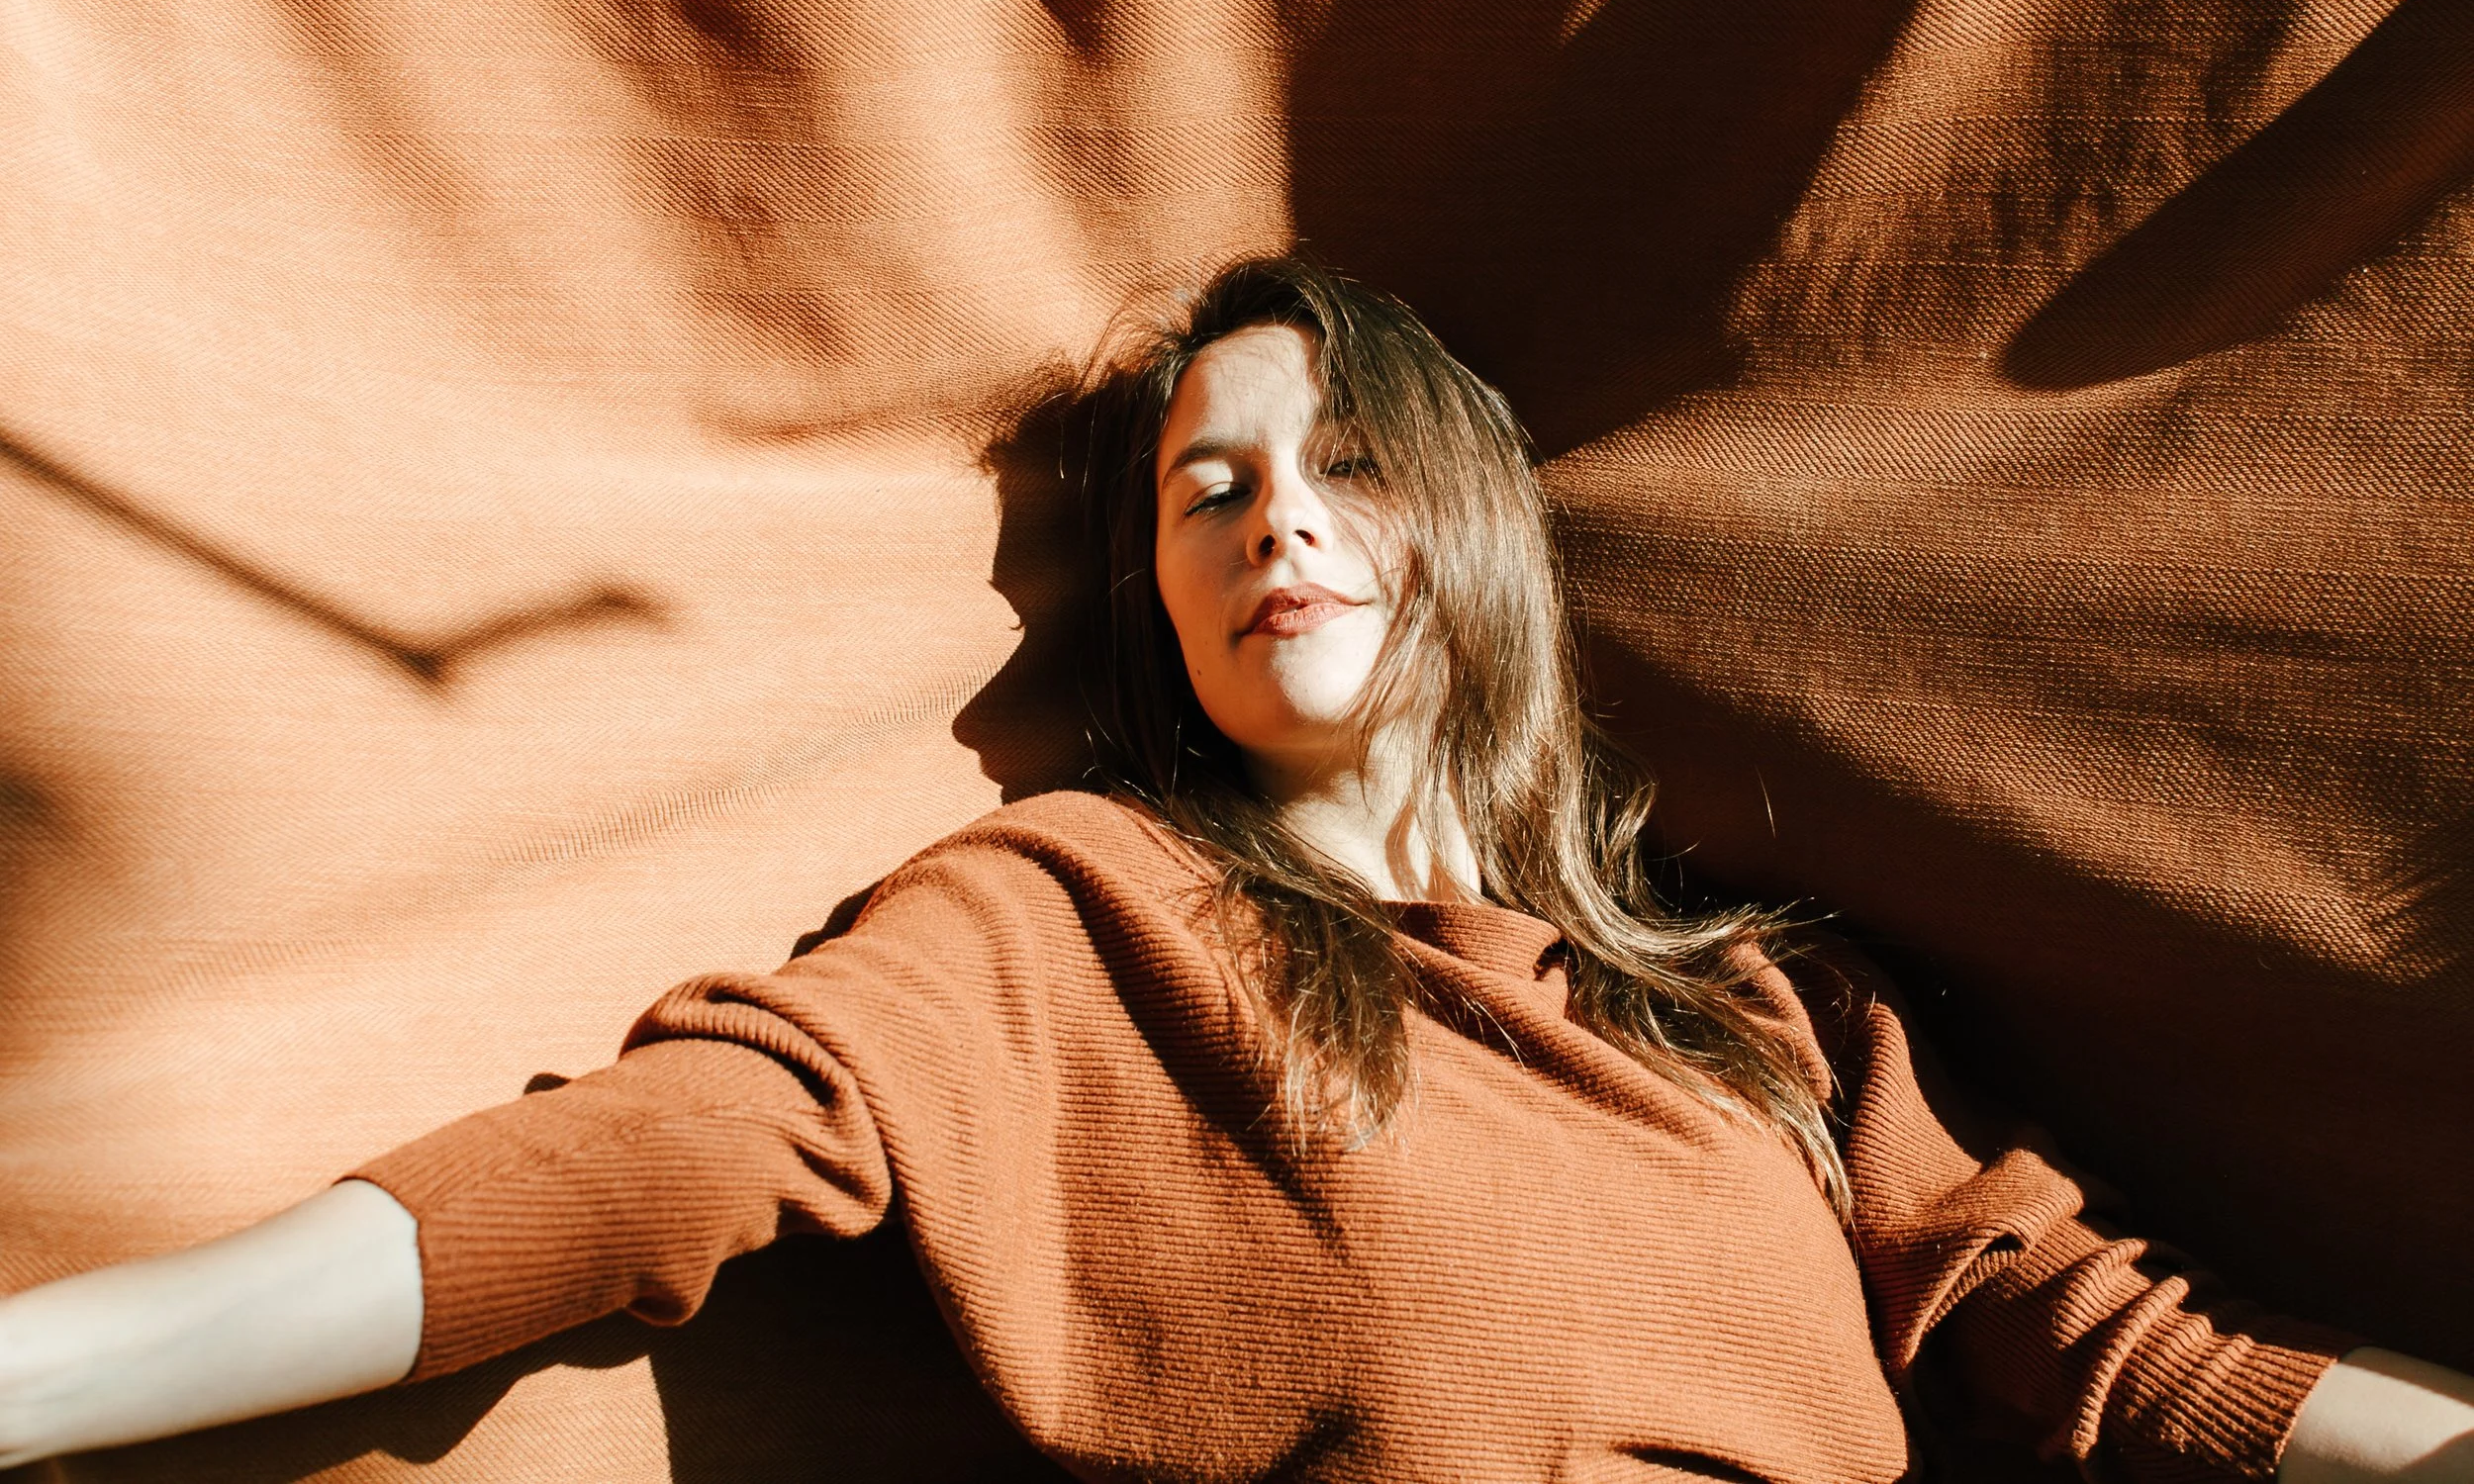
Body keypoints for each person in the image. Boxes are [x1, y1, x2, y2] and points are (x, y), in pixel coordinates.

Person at [0, 257, 2466, 1481]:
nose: (1273, 513)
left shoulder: (1750, 1013)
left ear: (1476, 532)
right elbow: (615, 1171)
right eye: (1207, 488)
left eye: (1341, 464)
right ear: (1162, 604)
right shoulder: (1067, 918)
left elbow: (2106, 1347)